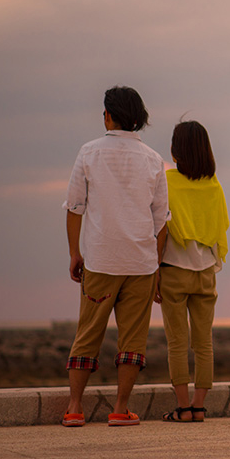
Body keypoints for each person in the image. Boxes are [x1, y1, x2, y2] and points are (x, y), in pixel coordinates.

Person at [61, 86, 169, 427]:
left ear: (108, 115)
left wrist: (75, 254)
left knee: (88, 332)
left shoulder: (88, 153)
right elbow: (161, 221)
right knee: (133, 339)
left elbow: (75, 208)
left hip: (100, 260)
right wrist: (157, 266)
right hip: (141, 263)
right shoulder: (153, 159)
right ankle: (121, 409)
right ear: (139, 119)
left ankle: (75, 408)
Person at [154, 120, 229, 422]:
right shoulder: (214, 184)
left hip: (173, 270)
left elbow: (161, 228)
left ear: (175, 150)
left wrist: (154, 272)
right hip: (206, 272)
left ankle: (183, 408)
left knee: (177, 342)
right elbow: (219, 228)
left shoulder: (167, 181)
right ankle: (199, 407)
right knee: (204, 342)